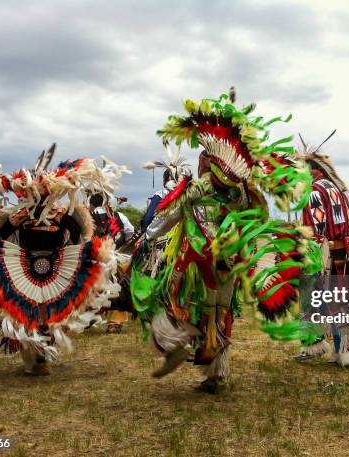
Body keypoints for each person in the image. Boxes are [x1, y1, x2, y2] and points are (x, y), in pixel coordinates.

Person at [130, 89, 320, 393]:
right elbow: (256, 219)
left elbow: (169, 218)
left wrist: (146, 236)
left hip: (197, 260)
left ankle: (177, 344)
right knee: (221, 309)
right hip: (229, 259)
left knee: (175, 298)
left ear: (208, 163)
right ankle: (215, 372)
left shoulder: (196, 188)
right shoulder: (244, 192)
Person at [0, 150, 123, 375]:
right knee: (29, 315)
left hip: (57, 267)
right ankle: (35, 356)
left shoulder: (64, 215)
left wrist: (82, 256)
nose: (40, 200)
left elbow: (80, 236)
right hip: (24, 268)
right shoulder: (18, 217)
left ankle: (43, 353)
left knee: (49, 315)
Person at [295, 134, 349, 368]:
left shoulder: (314, 191)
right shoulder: (340, 191)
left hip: (322, 253)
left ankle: (314, 346)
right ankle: (344, 350)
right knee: (340, 301)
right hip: (343, 253)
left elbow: (317, 228)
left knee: (312, 298)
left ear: (313, 171)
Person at [89, 192, 135, 334]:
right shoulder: (119, 216)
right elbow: (130, 232)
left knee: (92, 288)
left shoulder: (88, 216)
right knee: (118, 288)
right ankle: (114, 323)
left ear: (92, 204)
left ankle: (89, 318)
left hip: (94, 259)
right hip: (117, 258)